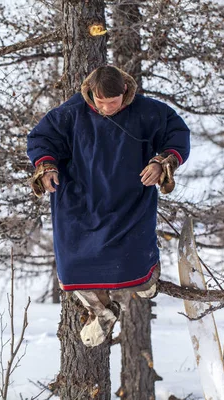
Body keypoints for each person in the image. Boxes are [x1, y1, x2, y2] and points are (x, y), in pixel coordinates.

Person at [27, 65, 190, 347]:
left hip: (128, 199)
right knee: (73, 267)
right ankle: (101, 311)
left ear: (124, 92)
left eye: (111, 103)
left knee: (134, 258)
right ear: (91, 93)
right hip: (80, 200)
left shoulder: (147, 110)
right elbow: (42, 139)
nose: (104, 108)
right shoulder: (72, 111)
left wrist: (161, 162)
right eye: (99, 102)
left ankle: (146, 277)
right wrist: (47, 166)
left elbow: (176, 134)